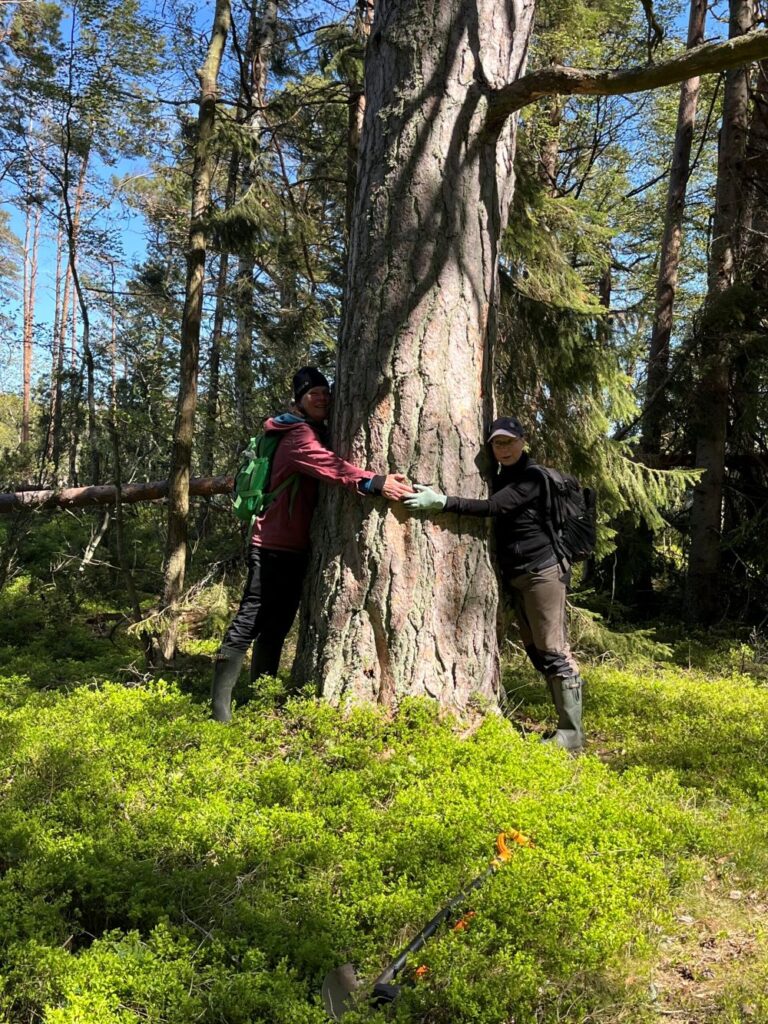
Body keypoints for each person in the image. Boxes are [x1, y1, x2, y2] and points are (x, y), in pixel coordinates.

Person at [211, 367, 413, 722]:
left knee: (277, 623)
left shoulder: (313, 431)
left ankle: (261, 698)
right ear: (299, 400)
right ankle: (219, 711)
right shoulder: (297, 435)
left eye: (324, 392)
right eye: (312, 393)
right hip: (272, 542)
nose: (321, 398)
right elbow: (328, 466)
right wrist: (374, 481)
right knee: (252, 618)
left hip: (294, 546)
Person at [402, 416, 585, 751]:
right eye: (497, 443)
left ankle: (572, 735)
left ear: (523, 441)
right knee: (536, 649)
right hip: (518, 573)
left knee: (553, 648)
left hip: (543, 571)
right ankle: (566, 730)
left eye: (509, 442)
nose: (503, 449)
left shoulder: (531, 477)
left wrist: (441, 502)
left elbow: (494, 507)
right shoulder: (501, 476)